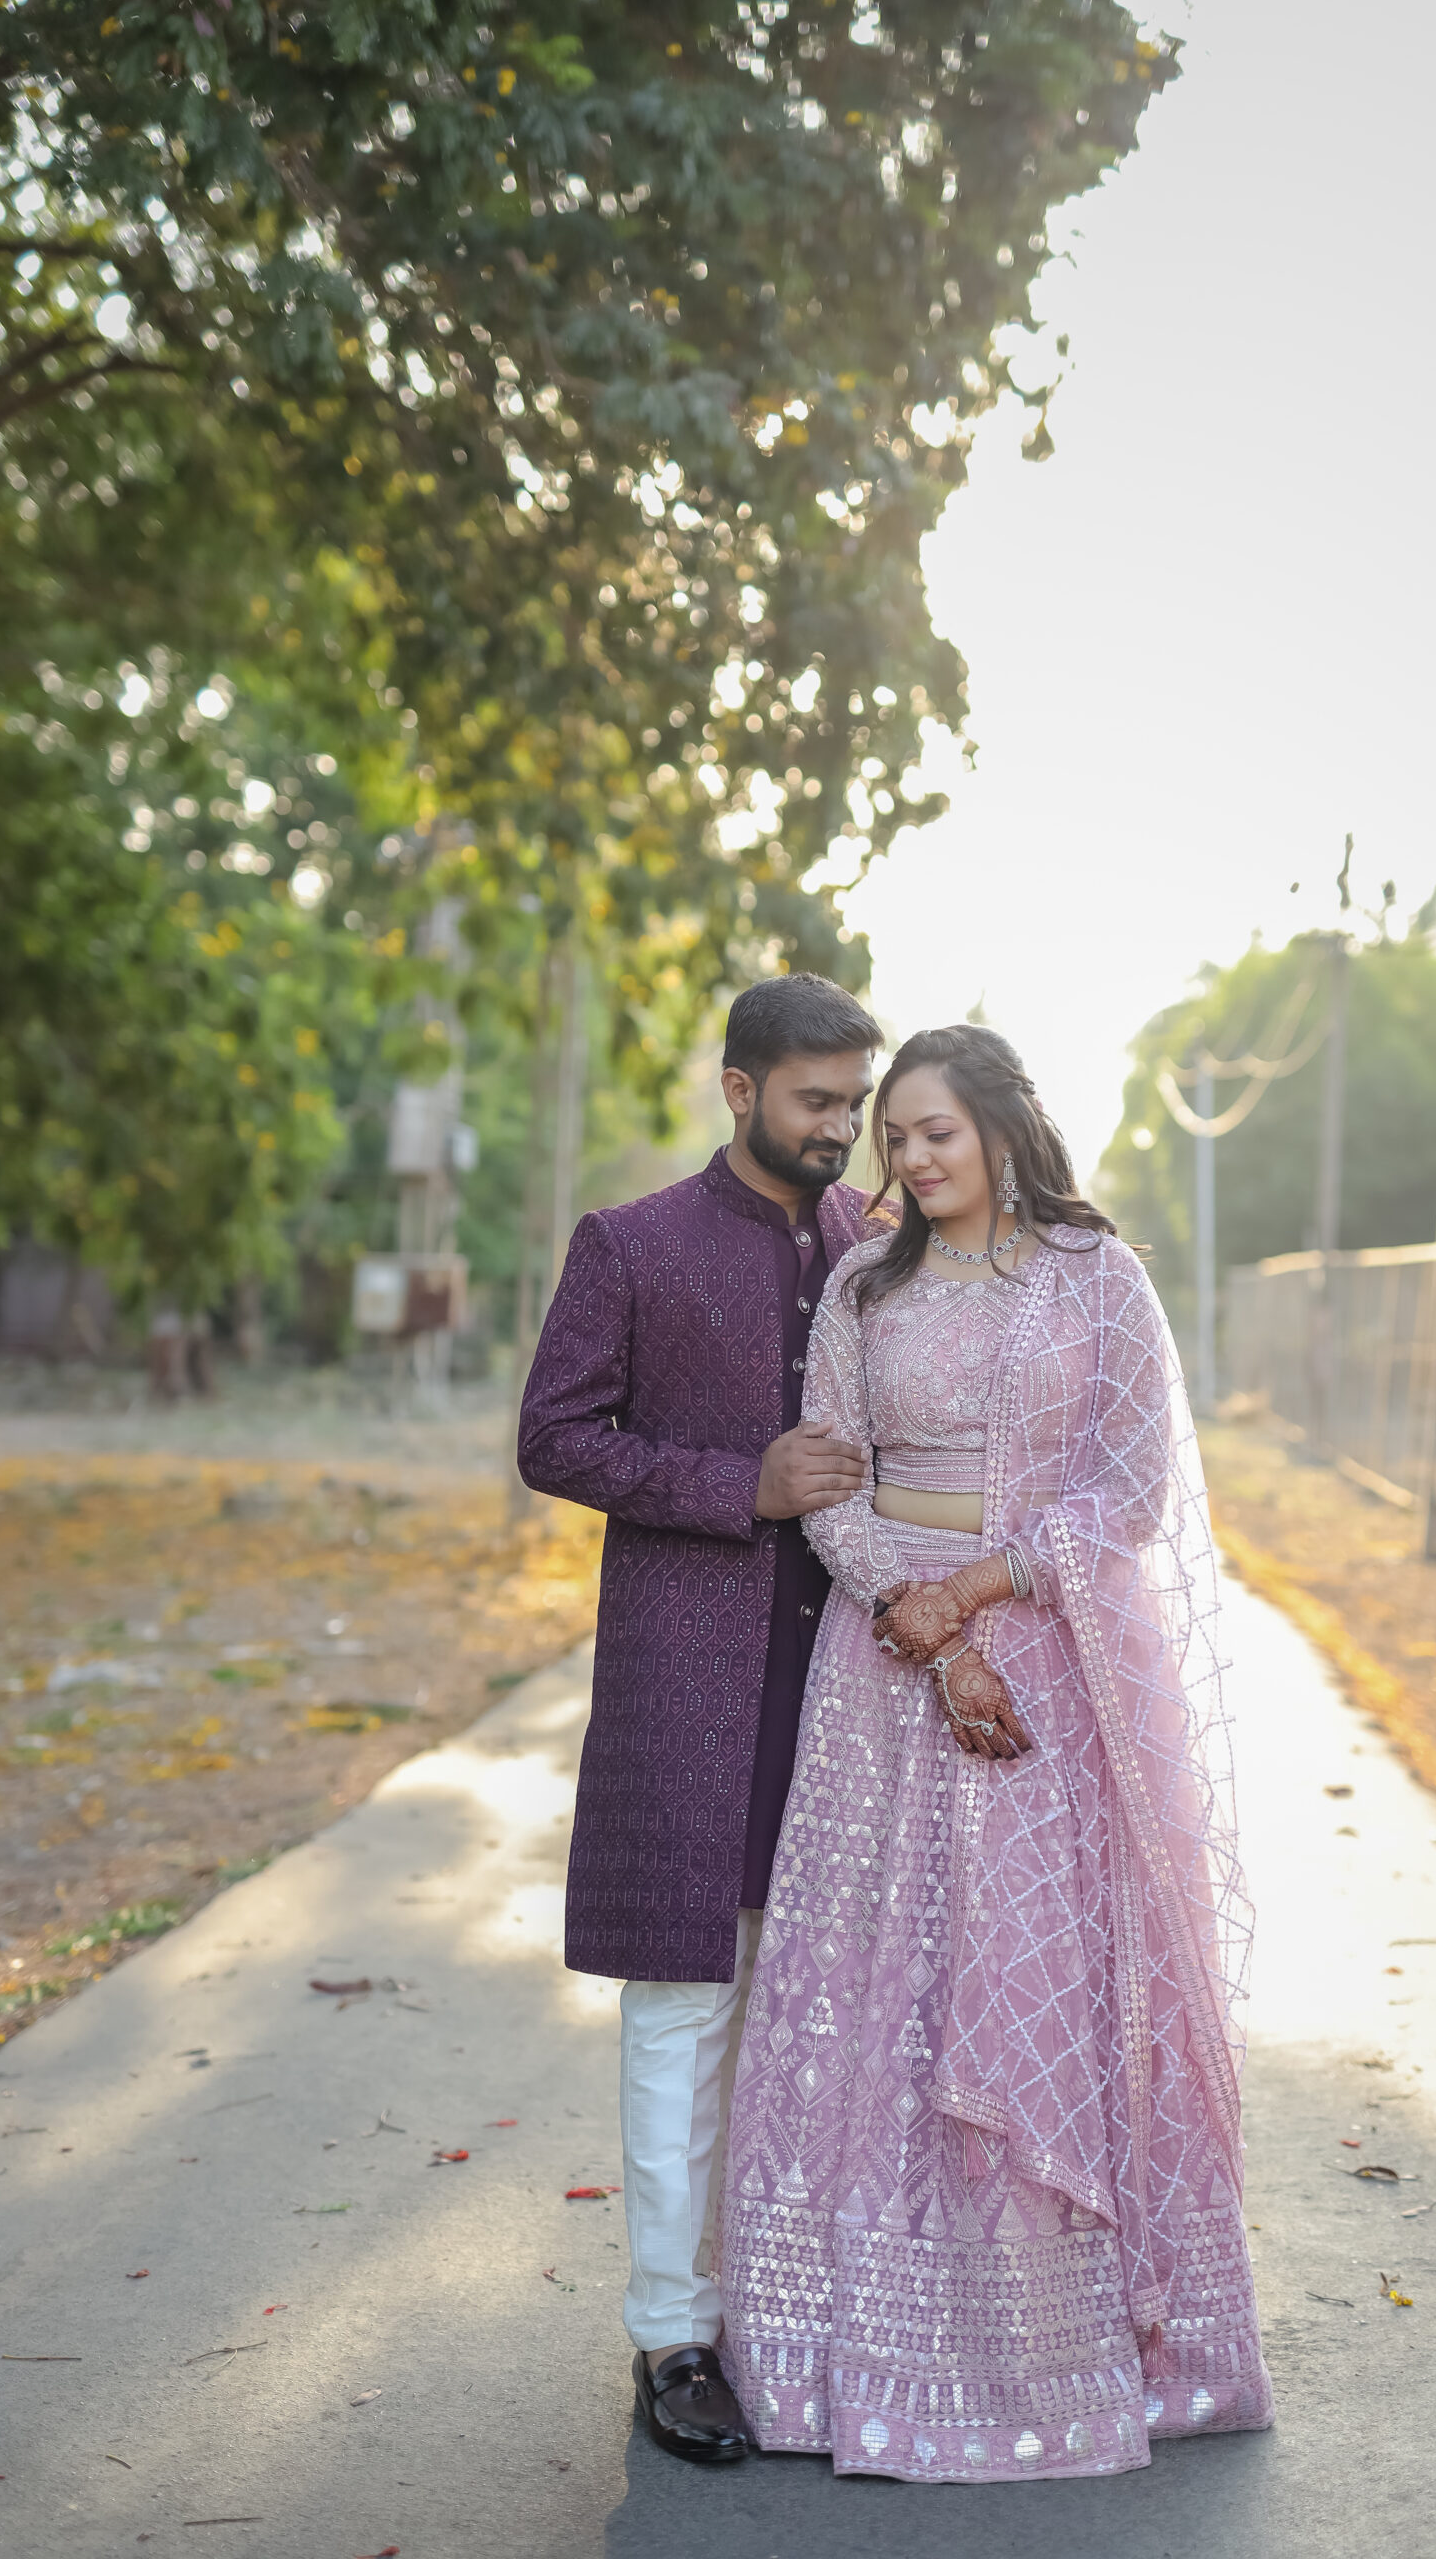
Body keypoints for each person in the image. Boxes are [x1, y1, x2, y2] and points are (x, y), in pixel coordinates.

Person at [715, 1023, 1275, 2484]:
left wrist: (976, 1596)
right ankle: (854, 2356)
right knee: (879, 1988)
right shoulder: (865, 1286)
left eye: (936, 1131)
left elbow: (1129, 1490)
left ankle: (1058, 2345)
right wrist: (920, 1618)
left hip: (1050, 1664)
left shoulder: (1097, 1278)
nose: (910, 1157)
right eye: (894, 1135)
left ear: (1004, 1130)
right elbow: (827, 1475)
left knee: (1026, 1973)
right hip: (883, 1670)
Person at [517, 971, 884, 2466]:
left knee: (829, 2014)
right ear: (740, 1090)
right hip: (689, 1684)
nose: (841, 1129)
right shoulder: (634, 1245)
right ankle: (674, 2336)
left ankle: (788, 2314)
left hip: (857, 1689)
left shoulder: (881, 1245)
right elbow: (554, 1437)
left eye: (855, 1103)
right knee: (685, 2010)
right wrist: (743, 1484)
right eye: (816, 1101)